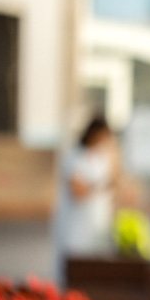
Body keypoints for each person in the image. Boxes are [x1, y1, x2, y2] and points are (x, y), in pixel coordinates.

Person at [54, 117, 116, 285]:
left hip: (98, 224)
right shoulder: (75, 156)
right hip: (76, 226)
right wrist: (98, 186)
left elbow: (111, 184)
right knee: (75, 270)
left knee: (95, 271)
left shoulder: (101, 158)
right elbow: (77, 191)